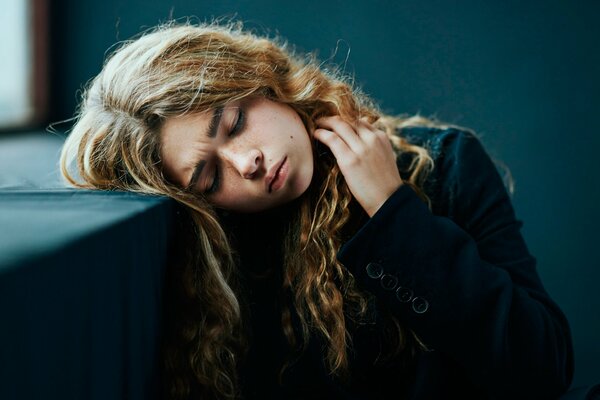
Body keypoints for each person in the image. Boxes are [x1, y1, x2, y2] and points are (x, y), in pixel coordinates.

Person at [59, 20, 574, 399]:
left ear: (263, 80)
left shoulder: (445, 164)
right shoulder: (215, 261)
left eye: (234, 123)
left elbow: (542, 366)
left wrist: (394, 212)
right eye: (210, 177)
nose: (248, 162)